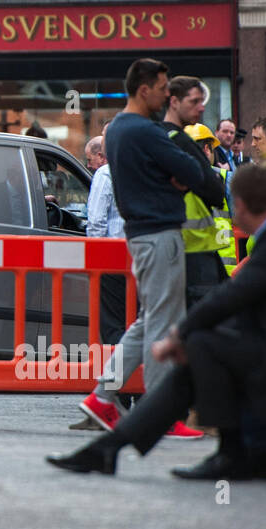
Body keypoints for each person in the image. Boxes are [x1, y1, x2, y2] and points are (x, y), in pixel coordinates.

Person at [46, 165, 266, 480]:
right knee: (204, 348)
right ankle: (113, 449)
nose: (232, 214)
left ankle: (231, 453)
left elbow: (231, 296)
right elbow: (245, 307)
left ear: (242, 206)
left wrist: (178, 335)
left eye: (233, 206)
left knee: (205, 346)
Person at [75, 59, 215, 439]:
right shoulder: (147, 131)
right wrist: (179, 179)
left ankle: (103, 396)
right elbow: (197, 173)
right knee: (162, 324)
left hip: (140, 235)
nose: (166, 94)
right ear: (144, 90)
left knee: (148, 319)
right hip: (160, 234)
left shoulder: (118, 129)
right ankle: (160, 413)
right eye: (162, 87)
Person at [164, 78, 228, 306]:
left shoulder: (158, 138)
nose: (201, 107)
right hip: (194, 248)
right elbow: (215, 191)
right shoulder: (180, 141)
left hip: (181, 246)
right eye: (194, 101)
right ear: (174, 102)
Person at [85, 125, 127, 346]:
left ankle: (118, 372)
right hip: (138, 256)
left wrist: (95, 259)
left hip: (111, 259)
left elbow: (96, 223)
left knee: (112, 325)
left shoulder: (104, 174)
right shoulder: (139, 169)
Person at [185, 123, 237, 275]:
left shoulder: (175, 180)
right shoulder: (225, 178)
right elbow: (240, 219)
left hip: (189, 263)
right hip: (223, 265)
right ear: (207, 149)